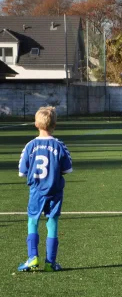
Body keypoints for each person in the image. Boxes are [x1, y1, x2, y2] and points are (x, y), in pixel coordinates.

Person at [17, 106, 73, 272]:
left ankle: (32, 257)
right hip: (55, 191)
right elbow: (67, 169)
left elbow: (22, 171)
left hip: (36, 190)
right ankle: (50, 262)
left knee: (33, 221)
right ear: (55, 125)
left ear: (36, 124)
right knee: (52, 222)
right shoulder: (59, 145)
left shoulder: (30, 146)